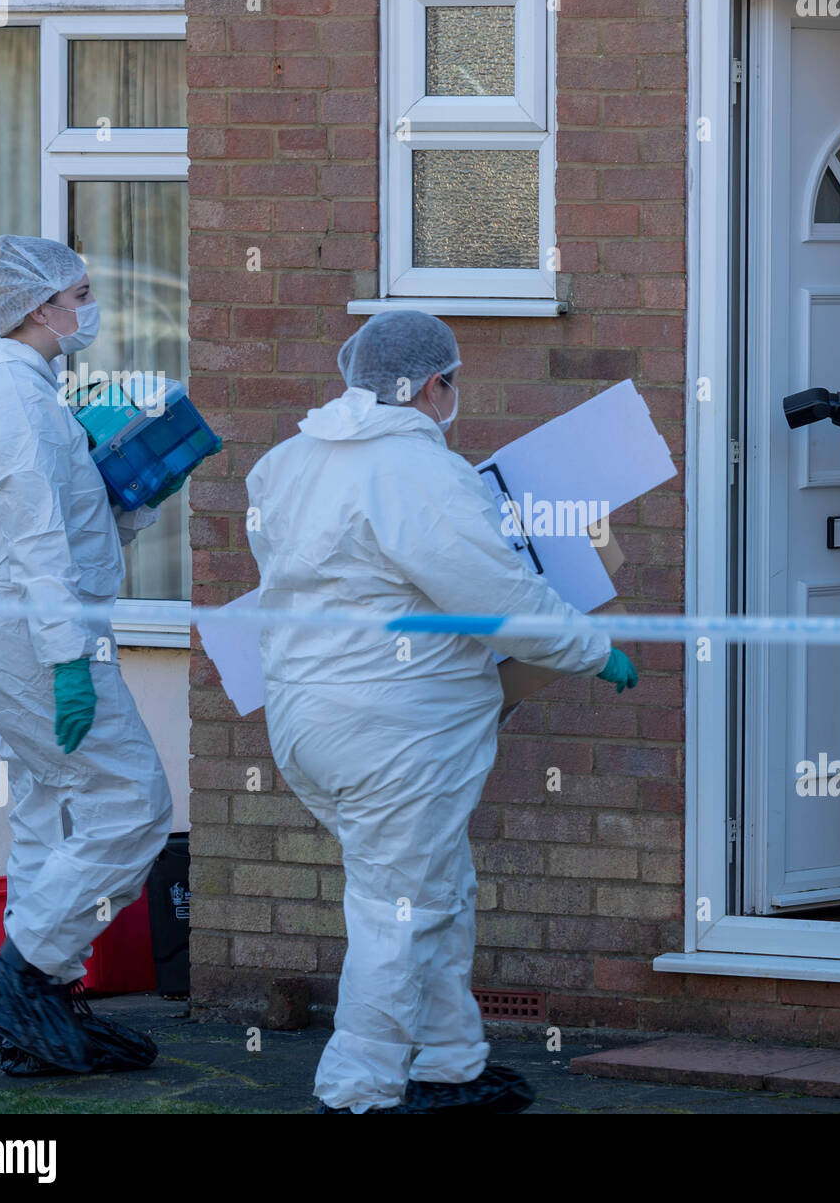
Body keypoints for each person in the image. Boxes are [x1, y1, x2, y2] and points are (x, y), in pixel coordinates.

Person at [246, 310, 639, 1114]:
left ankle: (451, 1061)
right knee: (401, 908)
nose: (452, 396)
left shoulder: (286, 463)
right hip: (394, 729)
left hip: (308, 720)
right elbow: (493, 595)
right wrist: (592, 650)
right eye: (450, 382)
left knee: (434, 887)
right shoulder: (415, 472)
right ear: (432, 385)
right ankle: (357, 1092)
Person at [0, 235, 181, 1073]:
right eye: (80, 293)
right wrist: (68, 658)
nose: (89, 307)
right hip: (31, 632)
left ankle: (41, 1015)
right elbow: (35, 535)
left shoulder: (33, 392)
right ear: (40, 306)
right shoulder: (10, 398)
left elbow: (65, 525)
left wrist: (133, 497)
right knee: (133, 803)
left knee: (51, 809)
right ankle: (22, 974)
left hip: (28, 626)